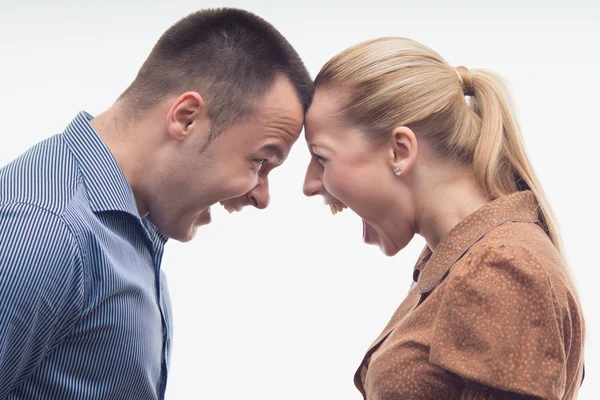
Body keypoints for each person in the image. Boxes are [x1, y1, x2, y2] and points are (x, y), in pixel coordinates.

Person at [0, 8, 312, 399]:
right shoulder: (44, 230)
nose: (260, 195)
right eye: (261, 160)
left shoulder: (128, 226)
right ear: (185, 118)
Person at [302, 37, 584, 399]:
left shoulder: (501, 268)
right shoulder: (468, 263)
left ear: (399, 151)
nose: (310, 184)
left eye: (321, 157)